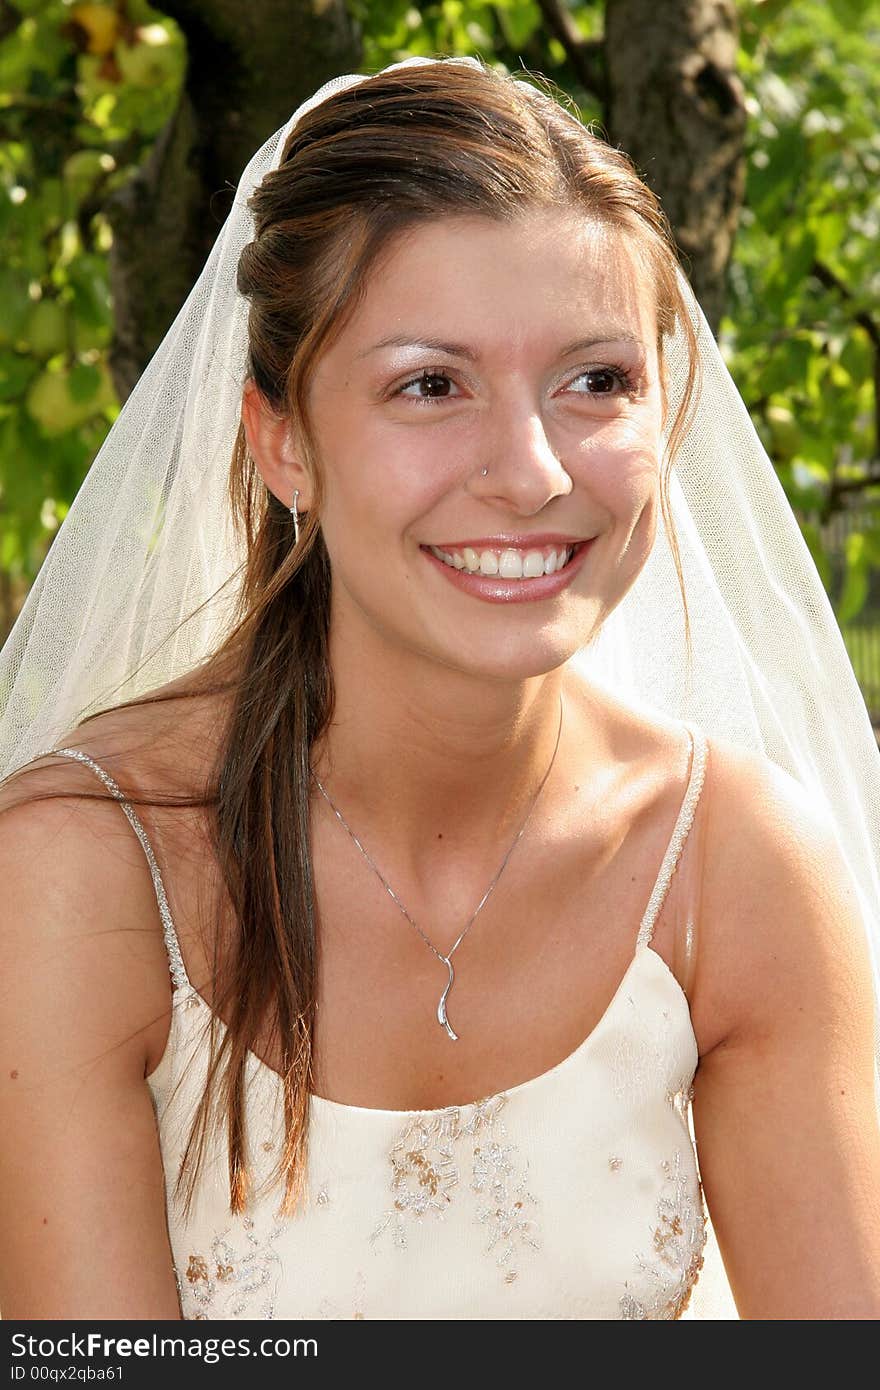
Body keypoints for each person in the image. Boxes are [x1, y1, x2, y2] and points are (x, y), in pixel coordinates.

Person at [0, 55, 878, 1322]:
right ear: (281, 440)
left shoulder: (735, 869)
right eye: (430, 383)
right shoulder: (79, 873)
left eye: (597, 381)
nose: (529, 472)